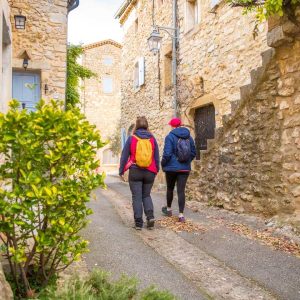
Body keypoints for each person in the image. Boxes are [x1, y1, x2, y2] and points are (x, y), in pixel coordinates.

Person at [119, 116, 160, 230]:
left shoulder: (132, 139)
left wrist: (121, 171)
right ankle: (150, 217)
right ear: (147, 125)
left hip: (135, 171)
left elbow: (124, 156)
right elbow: (156, 156)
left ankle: (138, 223)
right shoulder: (152, 139)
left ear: (136, 126)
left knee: (136, 197)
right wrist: (156, 169)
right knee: (146, 195)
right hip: (150, 172)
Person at [161, 118, 196, 222]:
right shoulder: (189, 137)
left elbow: (167, 153)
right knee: (181, 191)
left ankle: (168, 209)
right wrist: (187, 161)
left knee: (170, 188)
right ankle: (181, 215)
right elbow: (193, 152)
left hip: (171, 168)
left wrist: (163, 163)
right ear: (180, 124)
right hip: (185, 168)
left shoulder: (170, 136)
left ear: (172, 126)